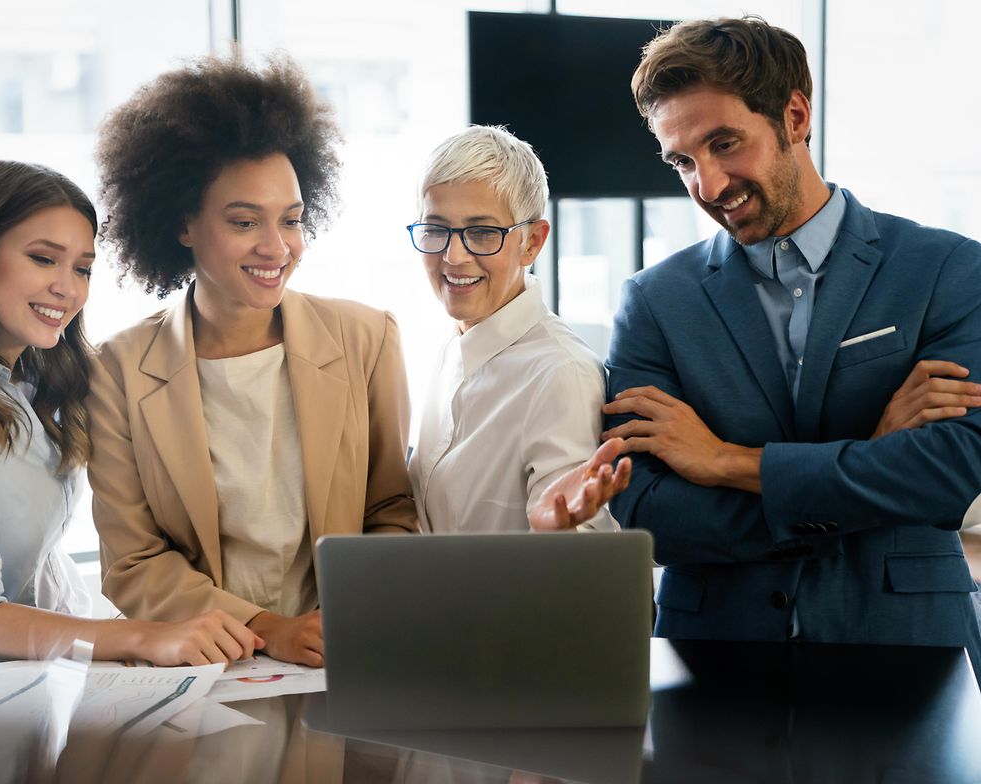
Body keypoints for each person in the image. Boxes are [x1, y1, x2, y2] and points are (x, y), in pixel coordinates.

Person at [605, 16, 981, 677]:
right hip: (713, 658)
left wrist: (722, 461)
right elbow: (645, 512)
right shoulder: (655, 301)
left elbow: (948, 474)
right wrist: (870, 459)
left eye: (725, 144)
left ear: (796, 115)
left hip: (910, 651)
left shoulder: (948, 269)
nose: (710, 186)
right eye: (683, 161)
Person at [0, 160, 263, 666]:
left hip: (31, 674)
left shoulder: (28, 385)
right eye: (44, 259)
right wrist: (144, 638)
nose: (69, 288)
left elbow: (35, 569)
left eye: (82, 268)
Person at [88, 55, 418, 668]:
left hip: (340, 656)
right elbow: (132, 563)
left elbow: (391, 510)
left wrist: (348, 610)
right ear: (183, 222)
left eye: (291, 220)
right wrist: (269, 629)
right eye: (244, 222)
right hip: (203, 668)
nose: (276, 248)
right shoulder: (118, 369)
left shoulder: (366, 337)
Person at [406, 125, 631, 534]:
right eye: (436, 229)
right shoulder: (449, 348)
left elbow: (583, 552)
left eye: (481, 233)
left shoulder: (561, 373)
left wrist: (556, 535)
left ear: (532, 242)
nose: (454, 256)